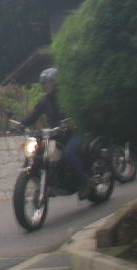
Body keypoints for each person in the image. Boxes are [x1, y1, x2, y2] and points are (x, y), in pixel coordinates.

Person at [21, 68, 91, 198]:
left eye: (47, 82)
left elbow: (78, 110)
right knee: (41, 155)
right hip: (57, 135)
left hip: (74, 133)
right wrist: (20, 124)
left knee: (68, 154)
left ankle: (85, 183)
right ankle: (51, 183)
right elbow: (33, 116)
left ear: (55, 82)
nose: (44, 86)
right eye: (42, 83)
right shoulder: (45, 101)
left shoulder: (66, 97)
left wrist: (72, 121)